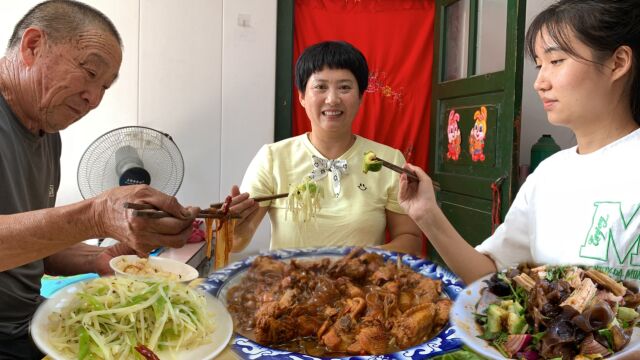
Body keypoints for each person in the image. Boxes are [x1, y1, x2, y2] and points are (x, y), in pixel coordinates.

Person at [0, 1, 198, 359]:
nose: (94, 99)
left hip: (29, 324)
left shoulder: (47, 134)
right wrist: (94, 214)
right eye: (90, 73)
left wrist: (100, 258)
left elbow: (33, 246)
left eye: (105, 86)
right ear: (32, 46)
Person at [398, 0, 640, 286]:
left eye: (556, 61)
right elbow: (492, 276)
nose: (540, 82)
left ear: (618, 63)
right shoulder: (549, 173)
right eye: (539, 65)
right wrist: (427, 214)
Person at [229, 40, 422, 256]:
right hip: (287, 284)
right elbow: (236, 242)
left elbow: (410, 240)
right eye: (320, 87)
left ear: (360, 97)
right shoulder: (273, 158)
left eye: (345, 87)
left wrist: (361, 261)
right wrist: (235, 229)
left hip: (361, 286)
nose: (332, 99)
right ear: (301, 97)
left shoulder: (388, 161)